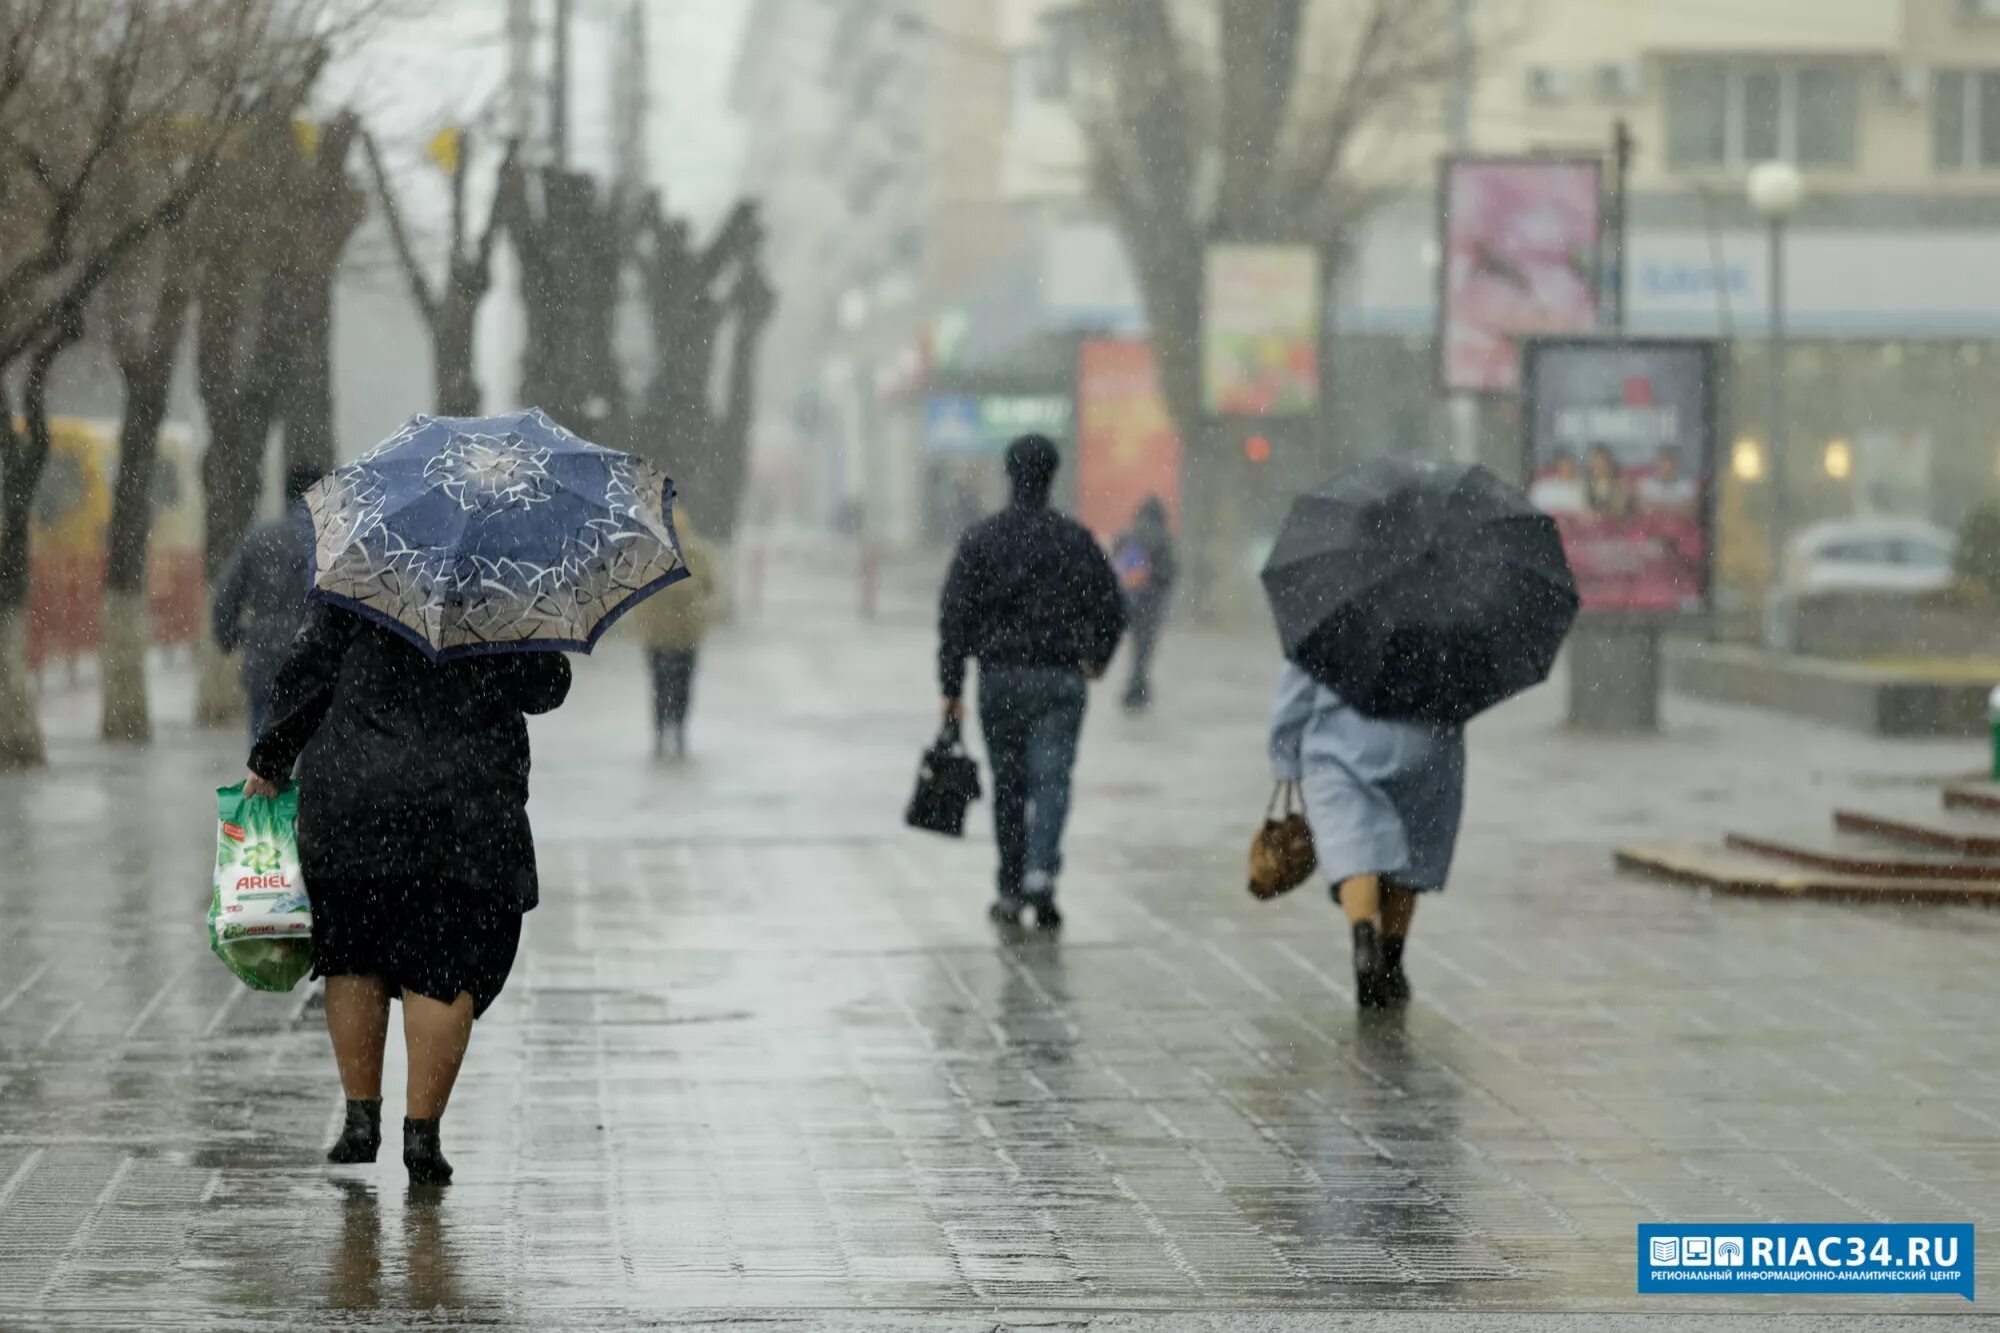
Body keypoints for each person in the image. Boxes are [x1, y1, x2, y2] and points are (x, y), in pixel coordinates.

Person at [243, 603, 572, 1185]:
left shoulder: (365, 568)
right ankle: (422, 1136)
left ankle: (359, 1119)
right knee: (444, 968)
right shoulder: (502, 583)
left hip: (355, 797)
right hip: (464, 808)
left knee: (352, 954)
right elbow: (545, 687)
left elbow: (308, 668)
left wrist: (270, 759)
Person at [939, 434, 1125, 930]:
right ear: (1052, 475)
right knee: (1053, 780)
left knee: (1009, 785)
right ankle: (1042, 873)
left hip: (999, 680)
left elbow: (954, 618)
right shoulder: (1075, 540)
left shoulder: (982, 540)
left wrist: (952, 688)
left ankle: (1009, 886)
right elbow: (1112, 604)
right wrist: (1098, 657)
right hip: (1061, 679)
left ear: (1009, 473)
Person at [1267, 662, 1466, 1009]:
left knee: (1352, 843)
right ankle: (1392, 957)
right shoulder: (1443, 619)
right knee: (1412, 851)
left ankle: (1363, 936)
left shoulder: (1334, 617)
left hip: (1343, 745)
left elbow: (1296, 691)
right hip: (1425, 742)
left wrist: (1285, 757)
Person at [213, 468, 320, 740]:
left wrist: (229, 636)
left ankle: (263, 780)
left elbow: (226, 595)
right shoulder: (330, 543)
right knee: (314, 746)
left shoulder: (260, 539)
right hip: (315, 661)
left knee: (263, 745)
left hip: (266, 657)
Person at [628, 506, 722, 758]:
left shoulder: (652, 556)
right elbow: (708, 588)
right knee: (678, 685)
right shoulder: (693, 557)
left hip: (666, 637)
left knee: (663, 685)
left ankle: (666, 732)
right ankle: (674, 730)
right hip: (681, 637)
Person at [1111, 496, 1176, 712]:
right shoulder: (1163, 538)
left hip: (1131, 599)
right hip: (1152, 602)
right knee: (1145, 648)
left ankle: (1136, 687)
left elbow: (1116, 559)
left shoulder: (1129, 534)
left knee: (1136, 646)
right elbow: (1170, 572)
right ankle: (1137, 689)